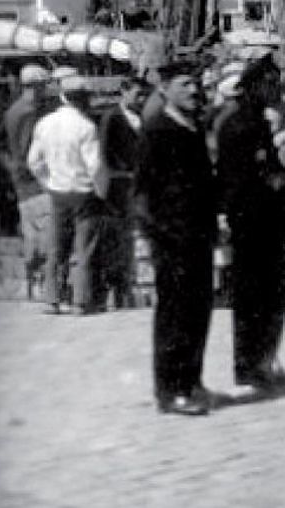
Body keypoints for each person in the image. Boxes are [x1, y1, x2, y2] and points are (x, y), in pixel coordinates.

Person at [136, 62, 218, 416]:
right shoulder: (157, 130)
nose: (194, 90)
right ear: (165, 89)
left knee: (199, 310)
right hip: (173, 239)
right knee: (175, 314)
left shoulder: (193, 126)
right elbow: (143, 192)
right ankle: (170, 391)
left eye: (196, 83)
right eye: (186, 84)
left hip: (198, 235)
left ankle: (192, 380)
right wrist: (163, 235)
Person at [215, 56, 285, 389]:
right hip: (252, 222)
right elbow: (240, 179)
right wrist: (278, 184)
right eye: (272, 83)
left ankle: (263, 359)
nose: (278, 89)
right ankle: (251, 365)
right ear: (257, 85)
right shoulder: (240, 125)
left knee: (270, 295)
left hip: (264, 220)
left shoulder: (255, 121)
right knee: (255, 297)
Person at [27, 76, 104, 314]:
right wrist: (101, 192)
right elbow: (96, 166)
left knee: (56, 248)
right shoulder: (86, 127)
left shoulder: (44, 124)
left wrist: (47, 183)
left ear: (62, 96)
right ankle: (80, 301)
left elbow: (33, 161)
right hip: (82, 193)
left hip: (58, 191)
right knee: (84, 250)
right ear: (83, 99)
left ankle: (52, 298)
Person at [3, 65, 55, 296]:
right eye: (44, 86)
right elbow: (28, 151)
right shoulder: (28, 113)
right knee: (42, 234)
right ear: (36, 86)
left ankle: (31, 285)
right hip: (33, 182)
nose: (45, 91)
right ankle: (40, 285)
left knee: (31, 231)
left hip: (21, 180)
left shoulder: (13, 110)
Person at [99, 77, 150, 309]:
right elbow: (104, 152)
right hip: (120, 185)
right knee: (120, 238)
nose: (140, 99)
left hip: (137, 182)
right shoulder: (112, 118)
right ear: (124, 92)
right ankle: (119, 288)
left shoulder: (141, 117)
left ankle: (132, 288)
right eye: (137, 94)